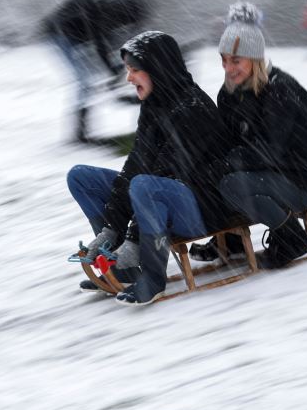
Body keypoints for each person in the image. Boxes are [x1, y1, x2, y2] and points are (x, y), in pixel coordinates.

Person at [65, 30, 236, 305]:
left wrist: (133, 236)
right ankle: (119, 261)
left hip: (202, 207)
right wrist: (111, 227)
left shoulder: (193, 108)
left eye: (135, 70)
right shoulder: (154, 106)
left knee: (144, 184)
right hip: (161, 193)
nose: (128, 78)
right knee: (81, 177)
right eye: (127, 70)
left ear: (157, 69)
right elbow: (137, 162)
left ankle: (152, 276)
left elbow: (170, 171)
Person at [210, 3, 307, 269]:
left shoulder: (281, 90)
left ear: (254, 58)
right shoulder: (228, 95)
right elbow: (227, 141)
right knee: (212, 175)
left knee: (232, 183)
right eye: (224, 60)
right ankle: (231, 240)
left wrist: (230, 162)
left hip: (300, 178)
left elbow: (271, 151)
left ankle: (292, 238)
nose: (229, 68)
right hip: (265, 174)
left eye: (236, 60)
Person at [42, 0, 150, 143]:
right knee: (84, 81)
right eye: (129, 23)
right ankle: (79, 133)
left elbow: (125, 44)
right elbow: (100, 44)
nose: (128, 27)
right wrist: (113, 69)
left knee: (95, 77)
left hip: (75, 34)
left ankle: (86, 126)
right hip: (58, 34)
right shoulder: (101, 12)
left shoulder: (119, 14)